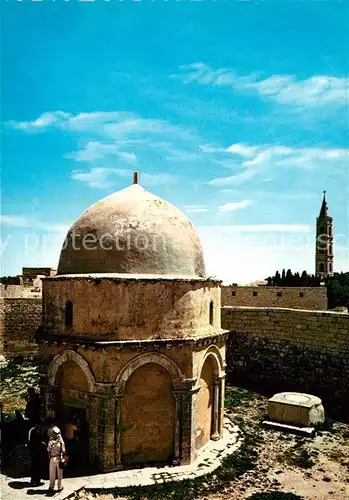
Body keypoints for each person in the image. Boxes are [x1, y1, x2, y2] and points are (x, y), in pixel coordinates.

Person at [47, 426, 66, 493]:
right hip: (59, 458)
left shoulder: (50, 441)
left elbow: (48, 451)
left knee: (52, 474)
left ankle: (51, 487)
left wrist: (50, 458)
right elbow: (64, 451)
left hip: (52, 458)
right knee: (60, 474)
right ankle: (59, 487)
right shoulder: (61, 442)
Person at [27, 421, 45, 486]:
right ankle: (37, 480)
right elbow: (39, 442)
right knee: (37, 466)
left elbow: (29, 441)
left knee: (33, 466)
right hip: (37, 451)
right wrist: (42, 444)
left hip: (33, 451)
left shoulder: (31, 431)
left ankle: (33, 480)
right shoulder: (37, 432)